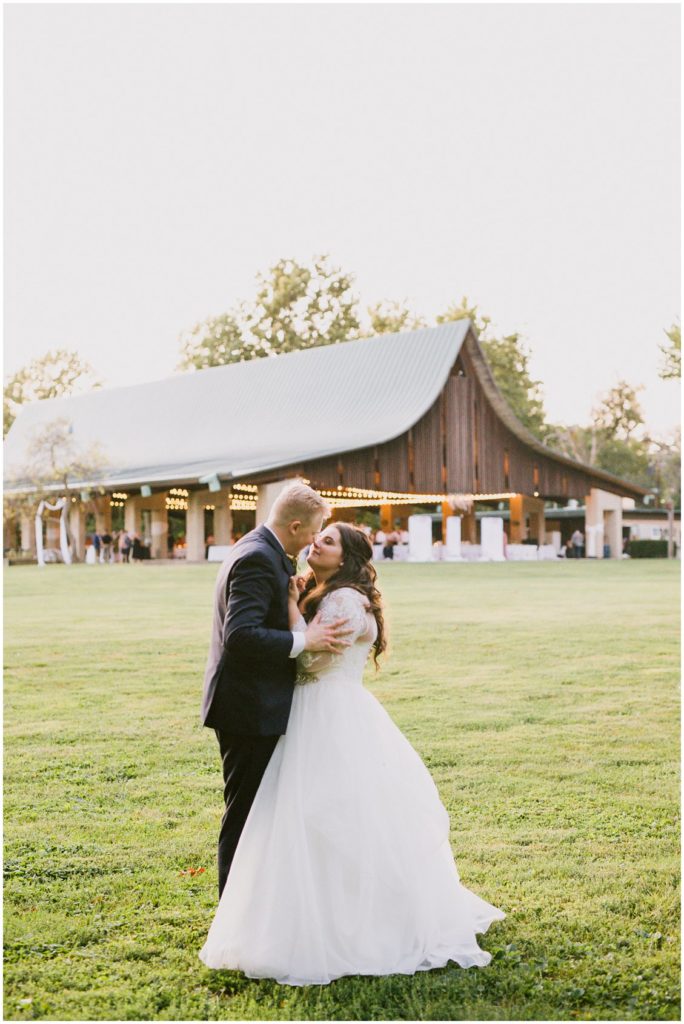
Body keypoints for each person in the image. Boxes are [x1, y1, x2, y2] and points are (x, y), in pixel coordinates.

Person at [199, 522, 505, 985]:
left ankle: (355, 921)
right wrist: (298, 603)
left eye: (327, 541)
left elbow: (311, 660)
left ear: (343, 558)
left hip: (328, 711)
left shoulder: (344, 600)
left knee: (333, 813)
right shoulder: (324, 592)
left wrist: (288, 607)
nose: (314, 544)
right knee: (298, 816)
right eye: (316, 536)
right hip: (307, 711)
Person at [200, 482, 354, 899]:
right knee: (246, 815)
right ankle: (233, 911)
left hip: (254, 702)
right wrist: (307, 641)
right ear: (297, 524)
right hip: (247, 707)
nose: (311, 543)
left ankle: (254, 904)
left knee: (259, 812)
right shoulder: (256, 558)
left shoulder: (264, 551)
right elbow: (241, 635)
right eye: (313, 533)